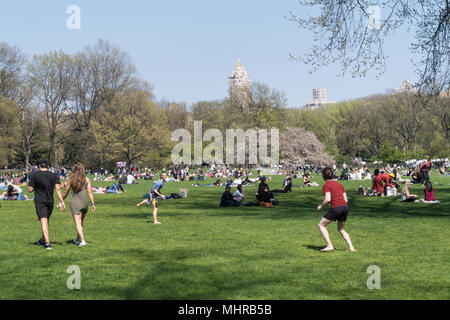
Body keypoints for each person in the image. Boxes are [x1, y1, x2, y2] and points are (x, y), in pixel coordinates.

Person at [28, 159, 65, 250]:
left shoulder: (35, 175)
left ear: (39, 166)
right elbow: (57, 189)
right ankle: (43, 239)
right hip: (50, 201)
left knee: (43, 220)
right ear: (48, 166)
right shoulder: (53, 175)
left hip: (41, 201)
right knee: (46, 220)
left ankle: (47, 244)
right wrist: (62, 201)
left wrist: (36, 186)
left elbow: (30, 190)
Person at [316, 167, 355, 252]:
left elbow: (327, 199)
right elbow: (346, 200)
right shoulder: (339, 184)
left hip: (337, 208)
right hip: (345, 208)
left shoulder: (326, 185)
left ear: (323, 175)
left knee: (321, 225)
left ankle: (330, 246)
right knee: (341, 229)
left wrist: (321, 206)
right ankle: (351, 247)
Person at [62, 163, 95, 247]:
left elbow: (66, 192)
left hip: (75, 202)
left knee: (77, 223)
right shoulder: (87, 179)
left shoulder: (71, 179)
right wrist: (93, 203)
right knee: (80, 222)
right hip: (84, 203)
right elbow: (90, 192)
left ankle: (82, 241)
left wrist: (61, 200)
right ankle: (78, 239)